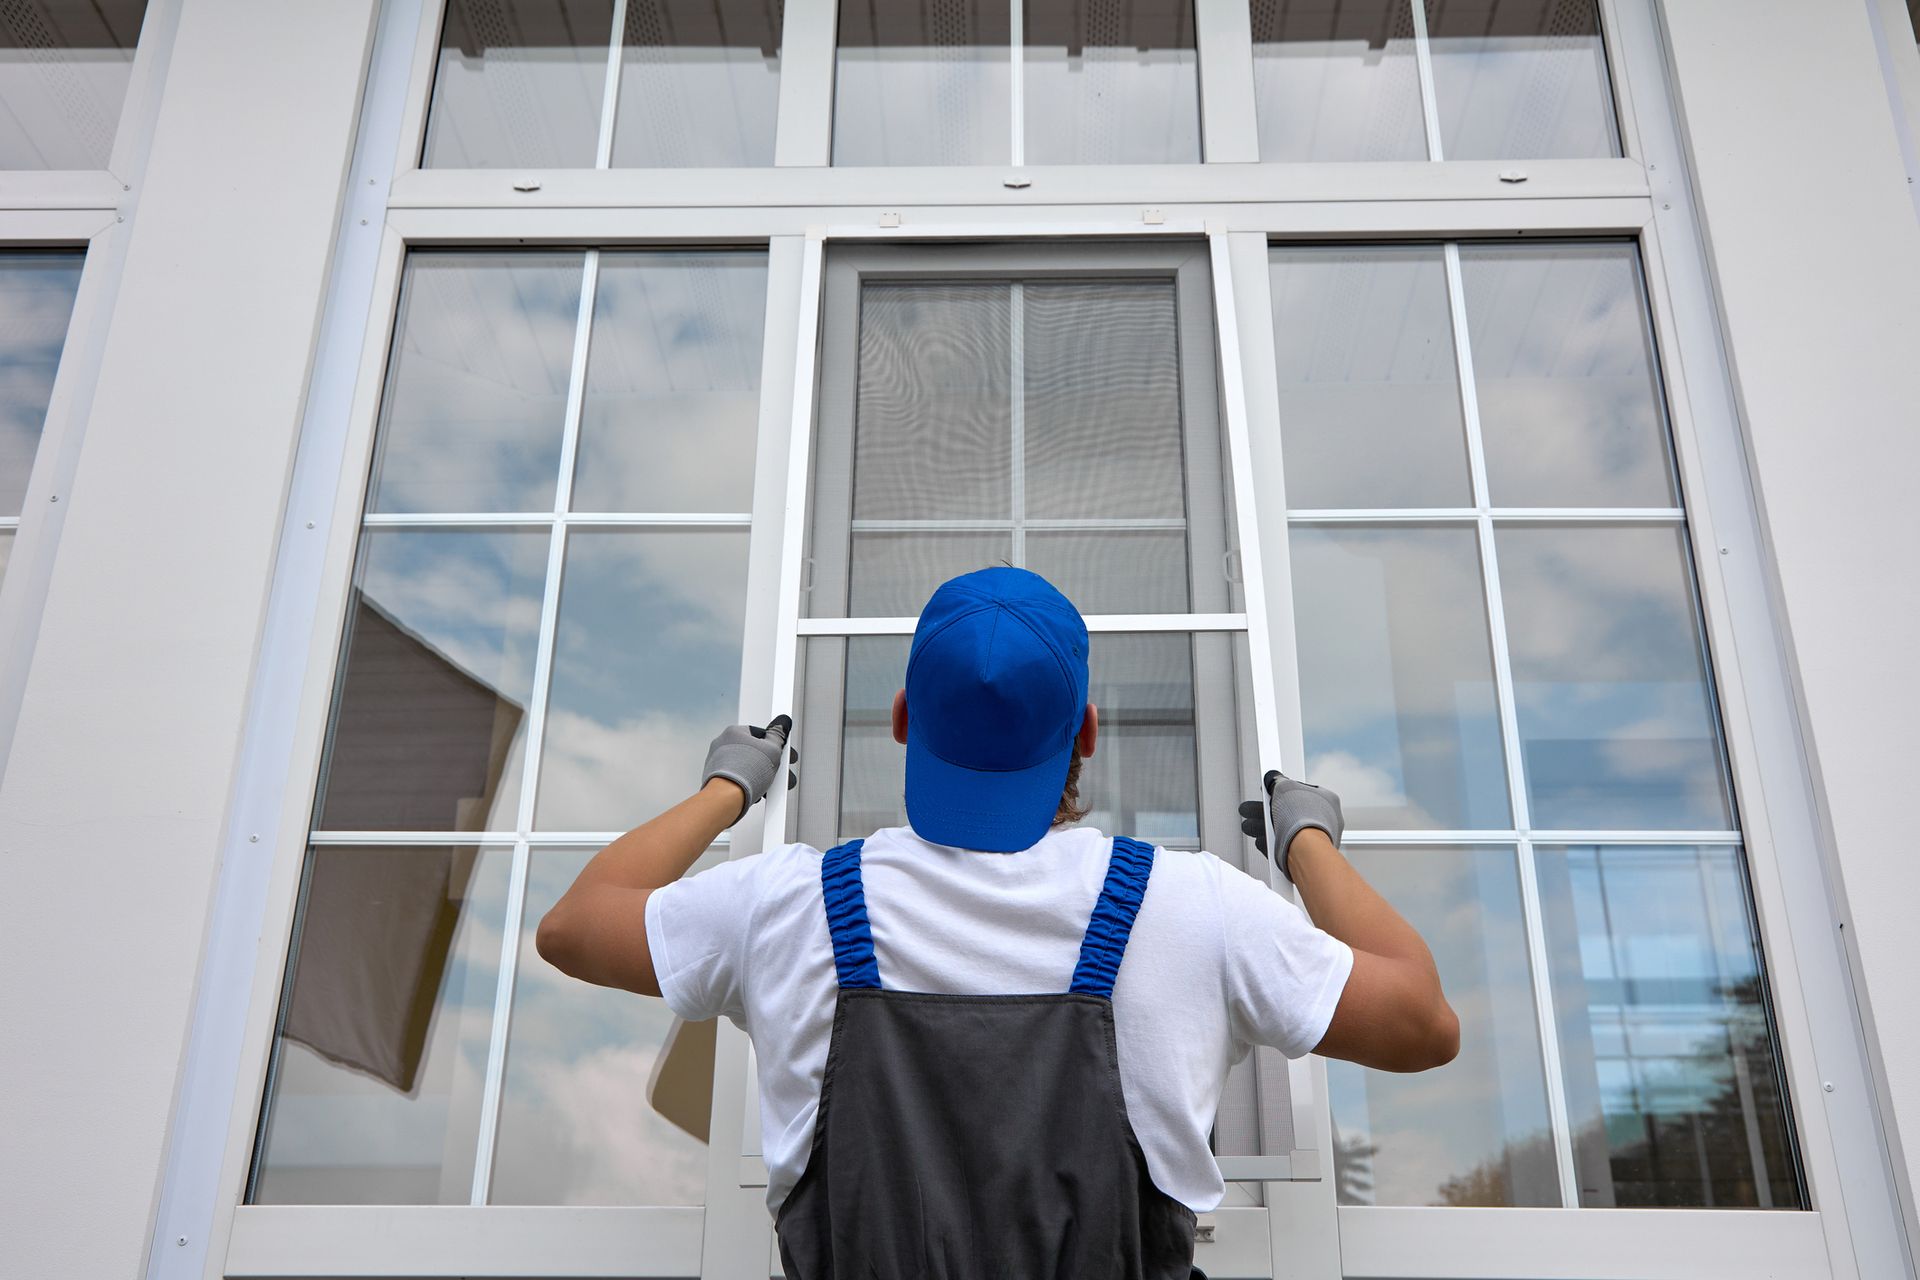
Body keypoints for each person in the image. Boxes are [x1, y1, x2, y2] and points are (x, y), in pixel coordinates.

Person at [536, 567, 1458, 1279]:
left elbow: (575, 924)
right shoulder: (1190, 907)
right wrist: (1304, 845)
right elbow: (1423, 1021)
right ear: (1086, 733)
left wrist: (727, 791)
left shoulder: (788, 904)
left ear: (901, 719)